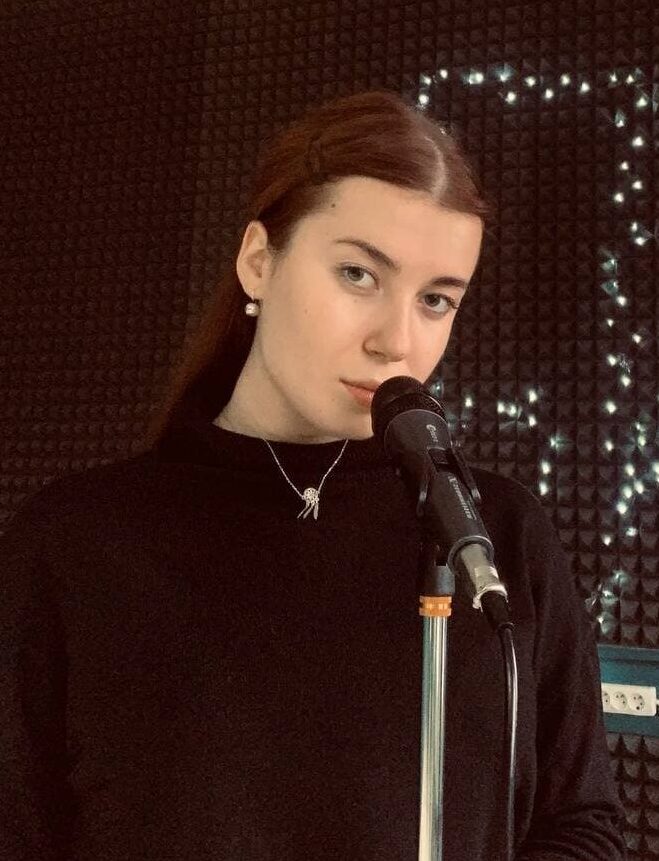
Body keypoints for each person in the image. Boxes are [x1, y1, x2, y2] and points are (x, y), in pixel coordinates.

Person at [0, 90, 626, 860]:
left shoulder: (495, 537)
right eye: (358, 274)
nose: (395, 340)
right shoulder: (75, 544)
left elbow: (580, 822)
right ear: (258, 261)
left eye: (435, 299)